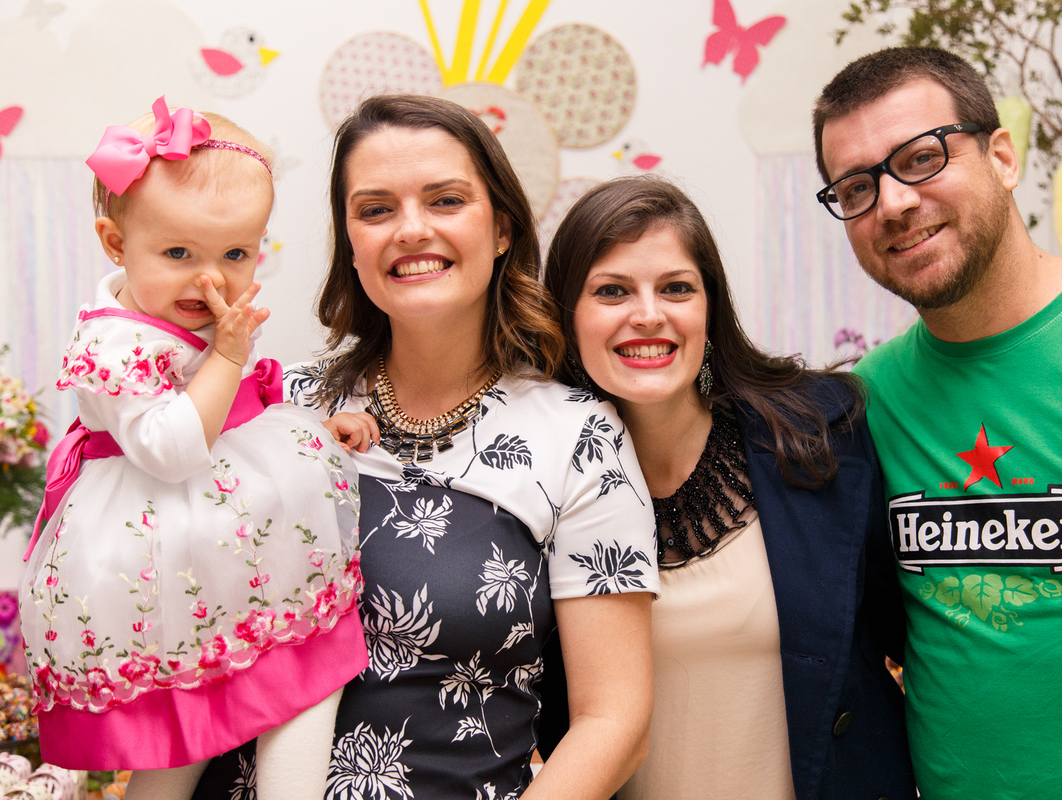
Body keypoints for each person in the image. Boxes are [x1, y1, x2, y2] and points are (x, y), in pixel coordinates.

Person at [194, 94, 659, 800]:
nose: (411, 230)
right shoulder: (278, 403)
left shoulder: (579, 436)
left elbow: (614, 721)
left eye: (445, 200)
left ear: (501, 227)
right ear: (350, 242)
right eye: (376, 210)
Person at [813, 46, 1062, 799]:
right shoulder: (866, 402)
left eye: (922, 158)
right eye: (857, 187)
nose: (892, 203)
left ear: (1003, 156)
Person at [19, 98, 367, 800]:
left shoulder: (184, 306)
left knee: (299, 683)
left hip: (224, 526)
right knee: (180, 732)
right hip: (164, 548)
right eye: (179, 253)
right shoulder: (114, 344)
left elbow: (238, 416)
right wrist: (229, 356)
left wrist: (311, 433)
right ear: (115, 244)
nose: (209, 280)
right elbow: (175, 447)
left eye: (235, 254)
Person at [544, 175, 914, 800]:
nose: (648, 314)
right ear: (567, 315)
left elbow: (909, 638)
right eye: (611, 291)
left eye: (676, 288)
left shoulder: (819, 436)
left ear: (710, 309)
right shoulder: (535, 475)